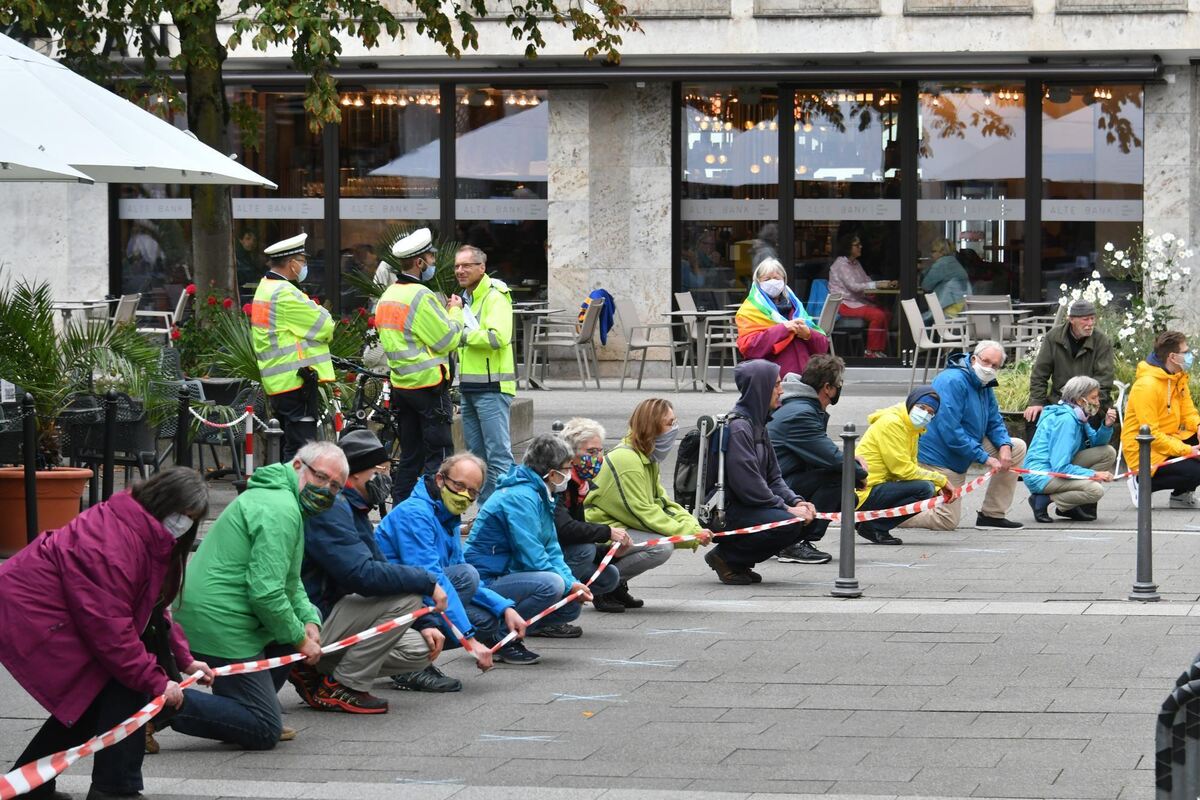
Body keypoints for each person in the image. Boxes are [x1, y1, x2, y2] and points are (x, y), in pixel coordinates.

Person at [0, 469, 211, 800]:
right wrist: (158, 681)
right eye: (183, 515)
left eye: (191, 519)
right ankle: (114, 788)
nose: (183, 524)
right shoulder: (114, 542)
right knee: (124, 683)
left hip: (56, 614)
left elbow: (152, 611)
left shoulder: (143, 532)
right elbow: (111, 629)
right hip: (34, 615)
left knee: (96, 695)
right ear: (162, 502)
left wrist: (185, 659)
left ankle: (28, 786)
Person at [168, 443, 345, 750]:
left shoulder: (282, 499)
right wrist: (301, 639)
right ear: (297, 466)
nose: (326, 490)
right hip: (220, 621)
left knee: (288, 634)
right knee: (265, 728)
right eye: (322, 478)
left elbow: (288, 581)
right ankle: (156, 707)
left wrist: (307, 618)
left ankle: (241, 708)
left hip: (219, 613)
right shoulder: (281, 509)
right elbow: (267, 594)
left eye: (335, 486)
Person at [297, 429, 457, 710]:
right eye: (378, 470)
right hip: (315, 614)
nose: (384, 477)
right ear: (355, 474)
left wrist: (425, 623)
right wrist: (426, 581)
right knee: (409, 598)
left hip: (337, 612)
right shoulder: (332, 506)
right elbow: (361, 575)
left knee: (419, 649)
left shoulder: (355, 505)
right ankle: (342, 685)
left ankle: (319, 671)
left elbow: (379, 565)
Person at [376, 452, 523, 673]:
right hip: (390, 603)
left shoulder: (448, 517)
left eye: (472, 492)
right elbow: (431, 579)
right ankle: (407, 666)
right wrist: (468, 639)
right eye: (459, 485)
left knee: (486, 619)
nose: (464, 495)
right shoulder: (415, 513)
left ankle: (417, 660)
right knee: (466, 576)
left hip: (417, 598)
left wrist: (504, 607)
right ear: (440, 480)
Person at [464, 435, 595, 663]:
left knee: (570, 606)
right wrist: (565, 584)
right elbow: (532, 555)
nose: (569, 474)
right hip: (487, 579)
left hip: (505, 572)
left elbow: (551, 547)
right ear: (552, 472)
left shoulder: (539, 493)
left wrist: (572, 583)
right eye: (566, 468)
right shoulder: (521, 497)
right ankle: (502, 638)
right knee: (551, 585)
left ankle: (511, 630)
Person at [702, 360, 817, 585]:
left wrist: (797, 501)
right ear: (760, 389)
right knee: (787, 522)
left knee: (804, 519)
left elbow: (774, 476)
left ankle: (738, 561)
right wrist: (787, 509)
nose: (781, 390)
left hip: (747, 506)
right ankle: (726, 557)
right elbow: (750, 488)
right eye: (775, 385)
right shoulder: (739, 428)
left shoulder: (758, 424)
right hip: (730, 510)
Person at [584, 399, 709, 597]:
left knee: (661, 541)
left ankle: (614, 583)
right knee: (660, 547)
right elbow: (642, 513)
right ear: (651, 427)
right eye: (669, 423)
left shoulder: (646, 456)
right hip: (603, 529)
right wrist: (690, 535)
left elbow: (663, 503)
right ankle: (604, 585)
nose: (674, 428)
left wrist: (694, 527)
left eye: (675, 422)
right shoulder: (627, 459)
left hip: (621, 525)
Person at [900, 341, 1028, 531]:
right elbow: (950, 431)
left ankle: (992, 515)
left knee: (1016, 447)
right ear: (974, 358)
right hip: (940, 456)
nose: (989, 368)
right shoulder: (951, 381)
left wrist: (1003, 445)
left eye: (995, 366)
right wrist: (985, 457)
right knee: (946, 520)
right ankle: (889, 516)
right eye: (986, 361)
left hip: (965, 446)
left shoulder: (984, 383)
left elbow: (994, 419)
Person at [377, 228, 464, 503]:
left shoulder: (388, 295)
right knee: (438, 455)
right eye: (430, 257)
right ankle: (435, 511)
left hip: (402, 385)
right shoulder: (420, 296)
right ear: (419, 262)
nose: (433, 262)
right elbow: (447, 339)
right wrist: (455, 311)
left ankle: (401, 508)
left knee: (410, 455)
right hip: (428, 387)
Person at [555, 418, 673, 616]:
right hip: (549, 555)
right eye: (591, 452)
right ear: (571, 455)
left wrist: (612, 552)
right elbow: (564, 531)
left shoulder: (580, 484)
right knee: (584, 551)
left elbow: (662, 502)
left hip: (596, 534)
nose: (598, 458)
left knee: (608, 575)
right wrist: (607, 532)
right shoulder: (559, 485)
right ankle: (553, 607)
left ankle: (605, 590)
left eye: (600, 451)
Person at [766, 357, 863, 564]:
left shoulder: (802, 406)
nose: (840, 388)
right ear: (827, 387)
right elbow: (834, 460)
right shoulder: (802, 413)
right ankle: (792, 543)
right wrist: (860, 473)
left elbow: (822, 452)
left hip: (782, 478)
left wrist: (851, 464)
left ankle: (792, 538)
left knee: (847, 491)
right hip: (775, 485)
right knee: (842, 480)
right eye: (839, 384)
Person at [250, 233, 335, 461]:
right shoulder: (284, 292)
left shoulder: (265, 288)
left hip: (278, 381)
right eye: (303, 260)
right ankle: (294, 495)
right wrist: (322, 313)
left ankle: (286, 493)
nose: (305, 265)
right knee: (300, 450)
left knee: (288, 445)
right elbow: (325, 326)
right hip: (295, 381)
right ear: (292, 263)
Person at [455, 244, 516, 504]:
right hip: (469, 387)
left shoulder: (496, 295)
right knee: (476, 458)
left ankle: (508, 511)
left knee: (498, 456)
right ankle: (485, 513)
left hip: (493, 388)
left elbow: (497, 337)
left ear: (482, 267)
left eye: (466, 265)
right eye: (457, 266)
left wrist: (459, 334)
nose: (460, 270)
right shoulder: (464, 298)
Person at [855, 388, 952, 545]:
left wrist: (937, 488)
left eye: (930, 412)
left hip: (877, 486)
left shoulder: (911, 428)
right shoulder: (892, 423)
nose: (924, 414)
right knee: (925, 489)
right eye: (921, 407)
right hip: (863, 489)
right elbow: (902, 470)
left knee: (931, 490)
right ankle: (873, 526)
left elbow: (910, 468)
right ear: (911, 403)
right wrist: (940, 480)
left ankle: (871, 523)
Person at [1121, 331, 1200, 505]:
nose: (1190, 355)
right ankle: (1141, 482)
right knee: (1196, 471)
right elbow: (1151, 433)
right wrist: (1187, 451)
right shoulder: (1147, 386)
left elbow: (1189, 412)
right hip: (1144, 448)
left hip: (1168, 439)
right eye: (1185, 352)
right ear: (1172, 356)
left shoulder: (1177, 376)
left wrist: (1199, 426)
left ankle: (1181, 495)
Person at [1025, 376, 1118, 523]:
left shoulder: (1076, 413)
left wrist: (1106, 426)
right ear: (1081, 400)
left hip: (1052, 467)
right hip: (1042, 474)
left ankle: (1071, 505)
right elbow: (1060, 468)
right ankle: (1043, 500)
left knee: (1107, 452)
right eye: (1093, 398)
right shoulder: (1067, 420)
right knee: (1095, 490)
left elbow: (1095, 442)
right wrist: (1094, 474)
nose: (1097, 402)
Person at [1024, 299, 1115, 425]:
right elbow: (1040, 374)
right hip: (1059, 401)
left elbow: (1104, 380)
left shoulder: (1101, 341)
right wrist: (1036, 402)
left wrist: (1087, 404)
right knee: (1033, 419)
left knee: (1083, 423)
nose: (1090, 323)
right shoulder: (1053, 337)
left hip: (1089, 403)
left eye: (1092, 319)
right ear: (1071, 319)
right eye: (1085, 319)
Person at [736, 258, 830, 376]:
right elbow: (749, 348)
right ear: (758, 282)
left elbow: (823, 347)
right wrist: (783, 329)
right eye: (767, 279)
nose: (772, 282)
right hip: (773, 380)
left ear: (784, 281)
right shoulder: (750, 310)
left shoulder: (796, 308)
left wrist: (808, 335)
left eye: (776, 278)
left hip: (804, 377)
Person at [828, 232, 896, 357]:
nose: (860, 247)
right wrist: (877, 285)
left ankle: (879, 350)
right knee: (878, 315)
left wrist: (883, 283)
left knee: (887, 314)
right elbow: (853, 286)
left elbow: (866, 280)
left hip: (857, 302)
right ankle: (871, 351)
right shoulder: (841, 264)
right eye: (856, 245)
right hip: (845, 304)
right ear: (848, 247)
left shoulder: (855, 263)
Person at [920, 238, 970, 318]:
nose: (931, 255)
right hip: (961, 309)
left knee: (920, 315)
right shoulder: (955, 263)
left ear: (941, 252)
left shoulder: (940, 265)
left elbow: (926, 286)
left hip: (945, 309)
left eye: (933, 251)